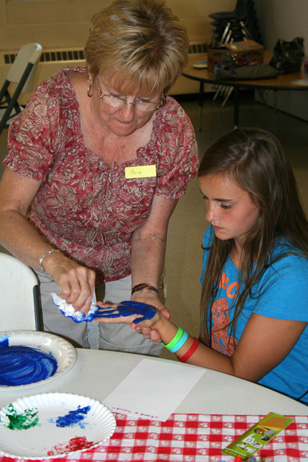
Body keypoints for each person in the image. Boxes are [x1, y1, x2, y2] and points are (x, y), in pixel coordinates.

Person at [0, 0, 198, 354]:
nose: (127, 114)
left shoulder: (173, 129)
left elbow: (151, 232)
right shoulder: (53, 107)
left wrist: (146, 291)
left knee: (135, 369)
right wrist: (55, 262)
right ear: (92, 72)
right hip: (48, 261)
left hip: (129, 269)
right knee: (54, 361)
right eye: (115, 95)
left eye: (145, 100)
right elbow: (6, 211)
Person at [95, 128, 308, 404]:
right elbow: (214, 343)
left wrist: (164, 327)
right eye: (205, 198)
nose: (210, 215)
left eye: (225, 205)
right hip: (226, 388)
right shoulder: (219, 239)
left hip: (281, 408)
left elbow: (239, 374)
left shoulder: (292, 276)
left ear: (267, 201)